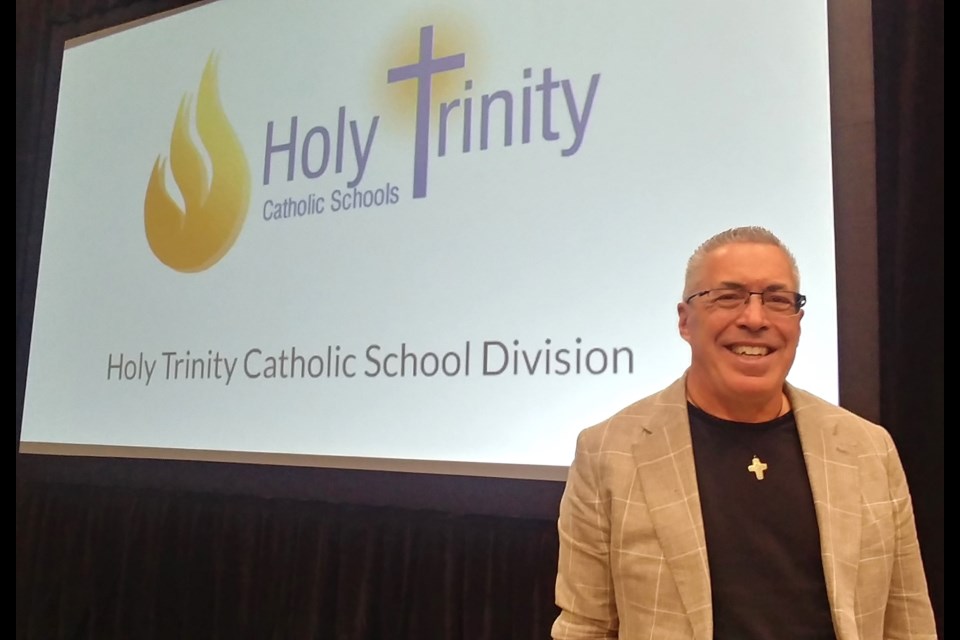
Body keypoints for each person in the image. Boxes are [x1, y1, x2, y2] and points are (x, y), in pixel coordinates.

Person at [551, 226, 936, 639]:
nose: (755, 318)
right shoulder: (608, 452)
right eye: (728, 297)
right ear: (685, 321)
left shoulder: (869, 450)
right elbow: (585, 627)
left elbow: (908, 621)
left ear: (798, 322)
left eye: (777, 300)